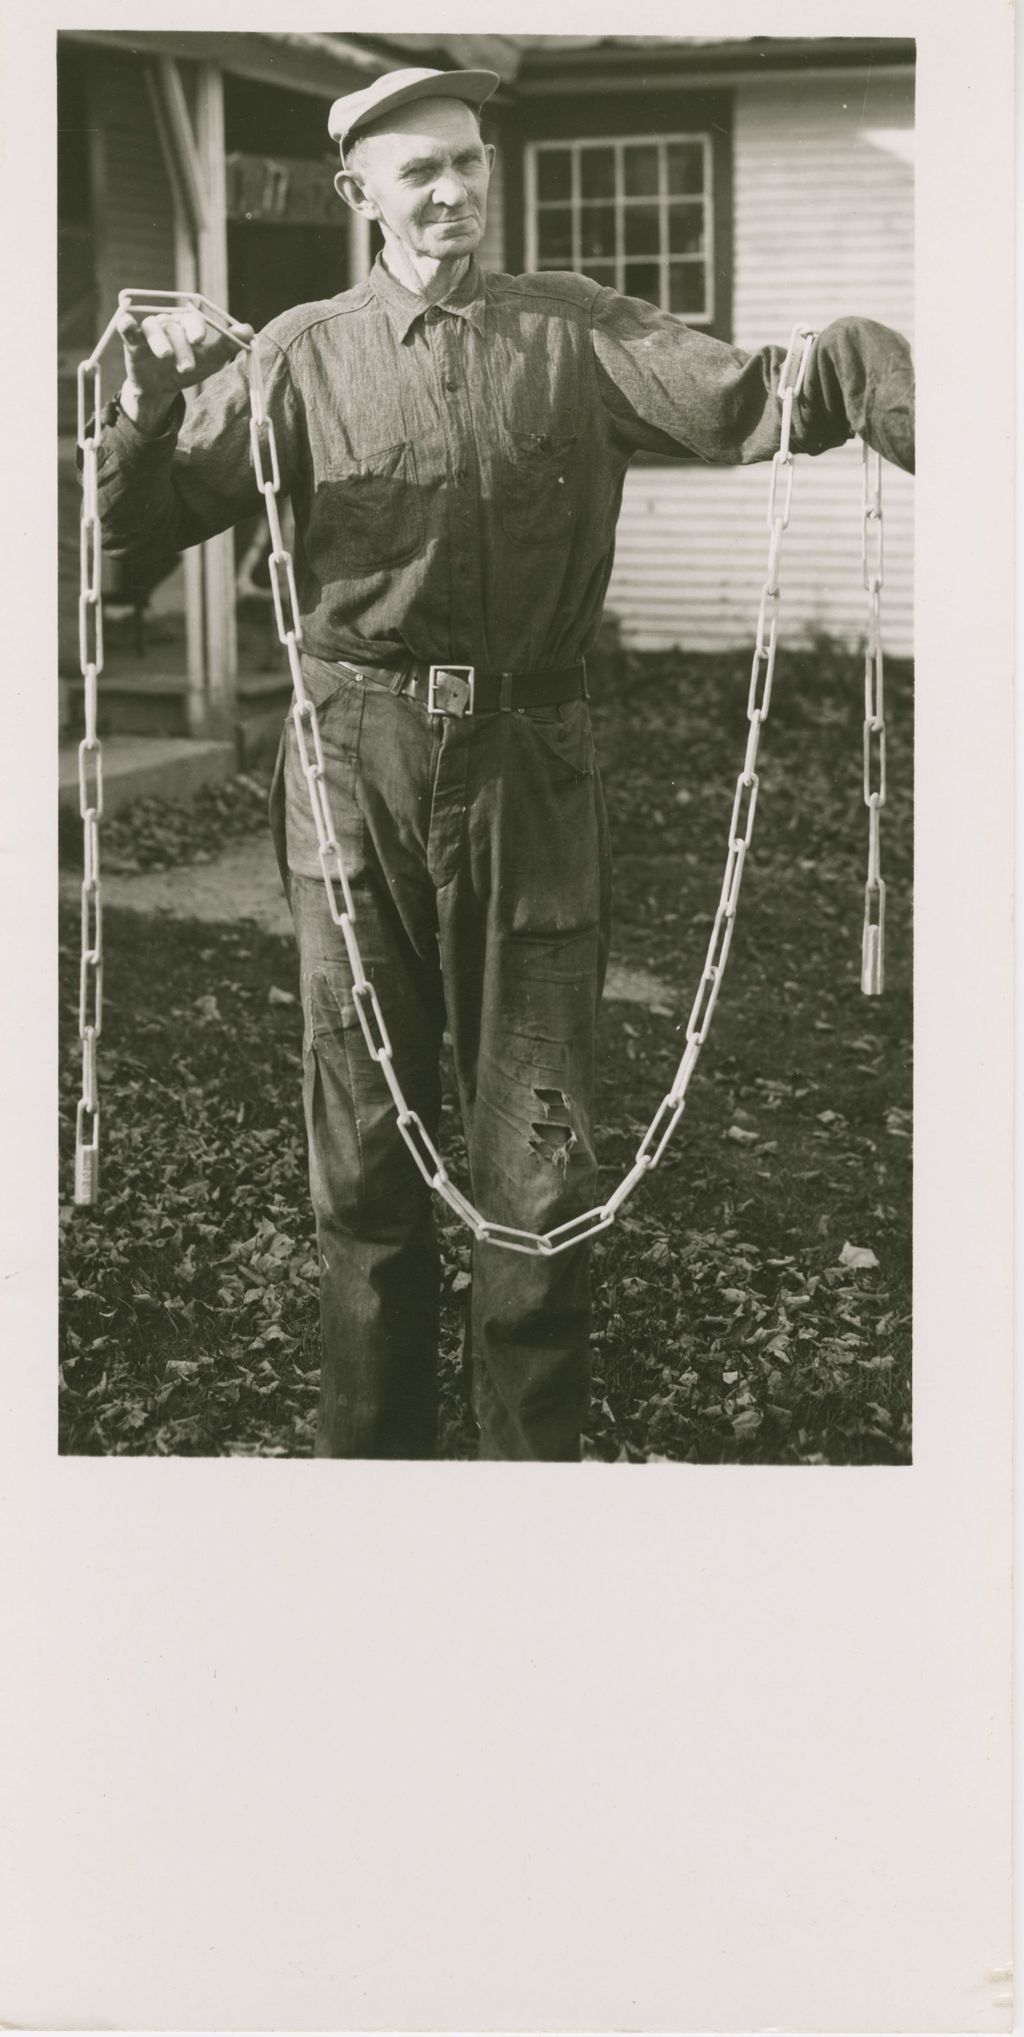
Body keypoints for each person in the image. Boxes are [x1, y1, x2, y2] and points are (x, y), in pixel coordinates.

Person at [94, 65, 915, 1463]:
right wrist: (134, 416)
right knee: (365, 1160)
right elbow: (135, 525)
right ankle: (378, 1484)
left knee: (536, 1171)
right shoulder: (295, 357)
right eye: (420, 171)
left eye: (470, 163)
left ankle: (527, 1501)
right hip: (354, 782)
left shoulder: (578, 334)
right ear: (358, 194)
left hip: (536, 780)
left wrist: (877, 374)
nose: (455, 190)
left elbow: (753, 399)